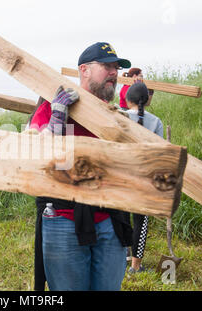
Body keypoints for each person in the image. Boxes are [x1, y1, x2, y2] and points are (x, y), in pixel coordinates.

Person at [28, 42, 133, 291]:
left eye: (116, 68)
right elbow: (32, 156)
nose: (114, 72)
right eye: (107, 66)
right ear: (84, 70)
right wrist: (57, 120)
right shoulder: (53, 106)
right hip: (64, 218)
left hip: (109, 217)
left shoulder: (113, 115)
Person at [125, 82, 163, 274]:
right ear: (147, 101)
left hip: (121, 178)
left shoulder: (119, 116)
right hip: (145, 180)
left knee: (121, 218)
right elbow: (161, 156)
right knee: (141, 221)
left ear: (127, 99)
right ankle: (136, 266)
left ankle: (122, 257)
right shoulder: (156, 122)